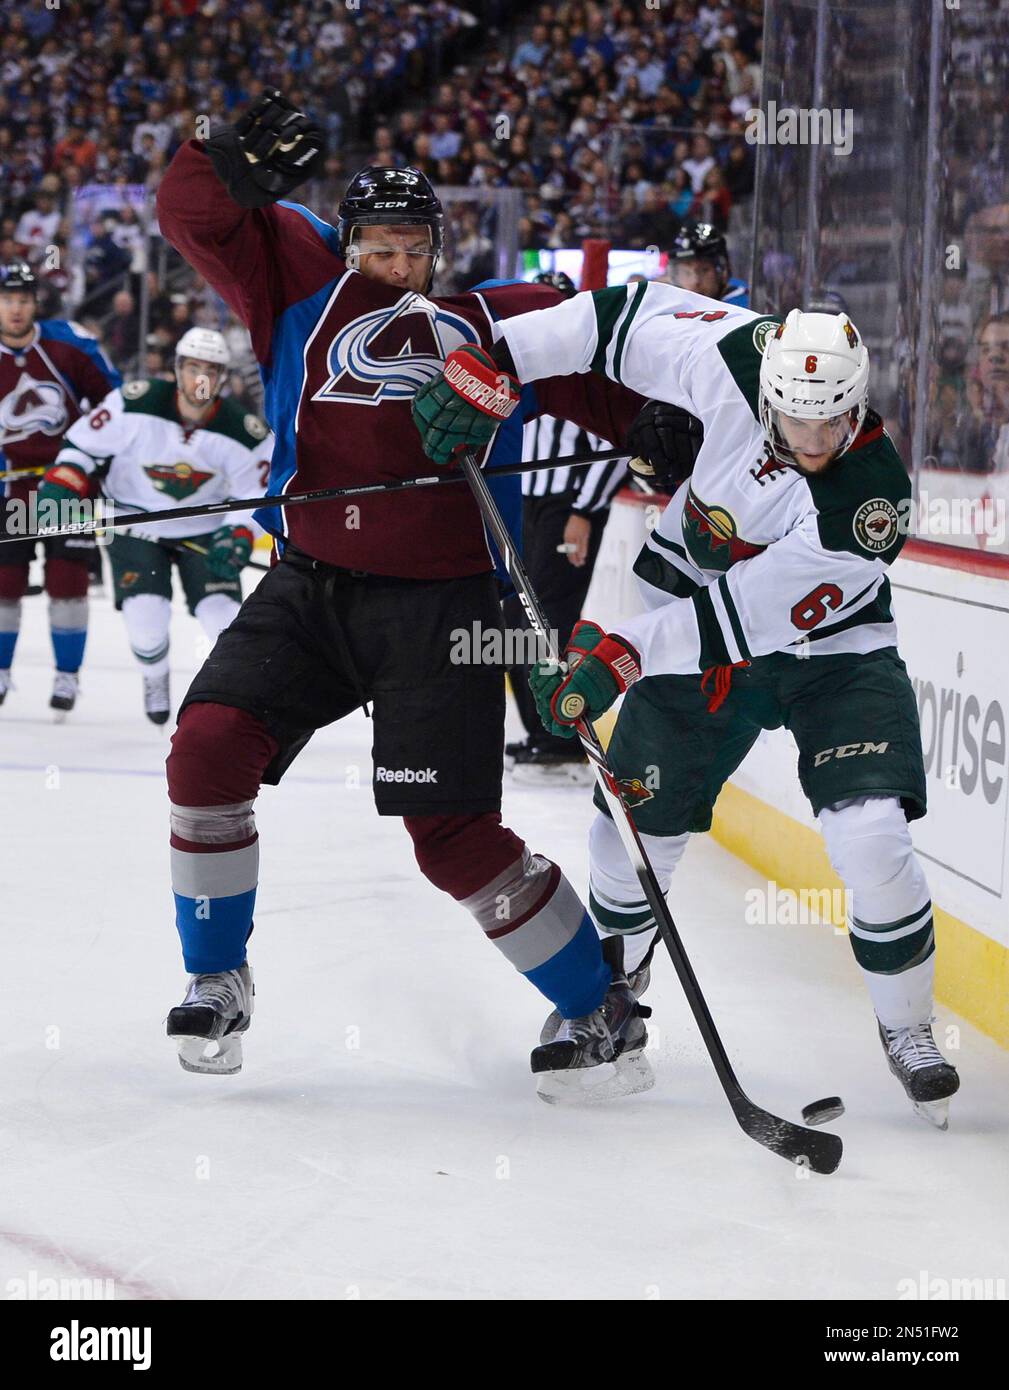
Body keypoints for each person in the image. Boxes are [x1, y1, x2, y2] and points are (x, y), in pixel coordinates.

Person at [154, 91, 648, 1090]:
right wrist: (221, 155)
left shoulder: (488, 319)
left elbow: (608, 368)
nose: (394, 266)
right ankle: (217, 978)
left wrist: (653, 429)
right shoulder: (293, 279)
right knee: (207, 747)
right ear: (344, 243)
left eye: (411, 249)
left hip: (444, 606)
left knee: (453, 840)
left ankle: (600, 1003)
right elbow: (191, 215)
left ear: (437, 249)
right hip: (310, 584)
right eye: (376, 247)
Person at [414, 289, 961, 1128]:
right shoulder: (734, 353)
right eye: (796, 424)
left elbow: (739, 618)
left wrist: (619, 655)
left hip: (829, 659)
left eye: (832, 425)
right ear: (768, 391)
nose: (814, 445)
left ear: (856, 402)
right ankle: (606, 1003)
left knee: (871, 839)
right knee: (629, 834)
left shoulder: (869, 500)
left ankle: (906, 1027)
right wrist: (501, 356)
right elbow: (611, 320)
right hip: (689, 632)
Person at [40, 328, 273, 725]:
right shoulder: (135, 404)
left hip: (204, 529)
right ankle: (155, 676)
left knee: (223, 621)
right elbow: (82, 447)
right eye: (193, 367)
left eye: (212, 370)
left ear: (222, 378)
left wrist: (237, 535)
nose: (201, 378)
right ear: (176, 369)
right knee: (146, 620)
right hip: (134, 522)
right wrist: (65, 482)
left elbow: (257, 495)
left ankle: (225, 704)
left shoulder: (244, 432)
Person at [0, 261, 121, 714]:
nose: (15, 308)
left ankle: (67, 678)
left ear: (35, 303)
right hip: (8, 489)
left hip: (66, 484)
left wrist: (92, 455)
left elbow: (114, 401)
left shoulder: (69, 344)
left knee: (68, 581)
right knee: (4, 582)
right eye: (8, 299)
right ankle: (1, 672)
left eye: (23, 299)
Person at [667, 220, 749, 308]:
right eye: (686, 272)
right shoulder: (673, 304)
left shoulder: (743, 307)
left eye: (704, 270)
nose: (695, 282)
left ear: (722, 270)